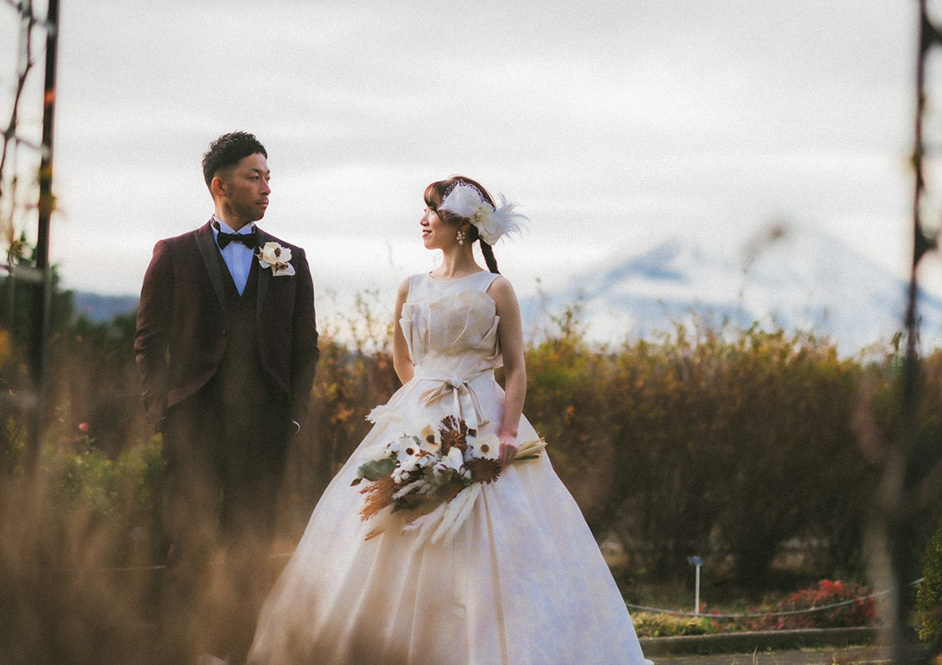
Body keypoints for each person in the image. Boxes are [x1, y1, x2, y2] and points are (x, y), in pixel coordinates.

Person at [247, 176, 650, 665]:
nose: (422, 220)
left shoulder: (496, 288)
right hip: (419, 417)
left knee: (496, 538)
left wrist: (505, 431)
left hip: (485, 414)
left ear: (461, 226)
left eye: (431, 212)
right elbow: (402, 361)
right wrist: (417, 413)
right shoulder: (411, 286)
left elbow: (518, 368)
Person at [134, 131, 320, 665]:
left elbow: (305, 350)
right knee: (186, 549)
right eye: (254, 176)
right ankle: (179, 651)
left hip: (265, 429)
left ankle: (239, 652)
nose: (266, 188)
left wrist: (294, 421)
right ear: (221, 185)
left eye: (268, 177)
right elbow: (148, 343)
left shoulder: (291, 259)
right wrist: (161, 411)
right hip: (191, 423)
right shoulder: (172, 255)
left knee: (250, 552)